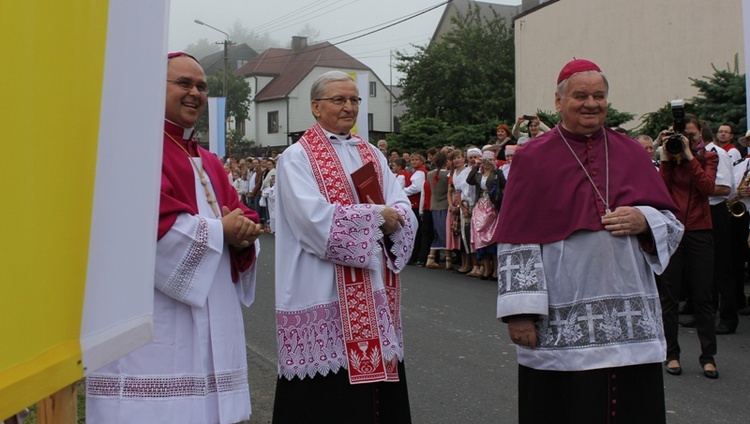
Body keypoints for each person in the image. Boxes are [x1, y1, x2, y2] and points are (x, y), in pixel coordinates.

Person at [492, 59, 683, 423]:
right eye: (581, 95)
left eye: (599, 95)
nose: (591, 103)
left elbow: (672, 224)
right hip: (563, 302)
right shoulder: (532, 157)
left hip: (629, 306)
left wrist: (645, 219)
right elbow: (517, 239)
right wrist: (520, 313)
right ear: (559, 101)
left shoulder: (630, 151)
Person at [86, 52, 262, 424]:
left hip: (213, 307)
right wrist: (222, 231)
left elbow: (238, 212)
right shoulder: (135, 150)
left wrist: (246, 234)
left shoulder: (209, 160)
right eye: (184, 83)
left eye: (201, 86)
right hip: (157, 313)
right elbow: (148, 227)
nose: (195, 93)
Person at [272, 70, 416, 423]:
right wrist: (377, 217)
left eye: (354, 100)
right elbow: (313, 220)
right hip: (321, 288)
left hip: (373, 287)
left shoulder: (370, 154)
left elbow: (402, 204)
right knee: (326, 401)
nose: (349, 106)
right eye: (339, 100)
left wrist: (395, 213)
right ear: (316, 107)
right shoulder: (297, 157)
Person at [658, 114, 720, 379]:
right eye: (683, 135)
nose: (686, 140)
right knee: (669, 297)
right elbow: (660, 191)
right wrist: (665, 158)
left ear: (700, 135)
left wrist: (691, 156)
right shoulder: (671, 158)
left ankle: (708, 356)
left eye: (692, 135)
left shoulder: (709, 157)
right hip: (673, 231)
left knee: (704, 295)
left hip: (699, 230)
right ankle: (672, 354)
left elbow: (707, 187)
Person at [467, 150, 504, 280]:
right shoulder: (479, 175)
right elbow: (469, 180)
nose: (486, 163)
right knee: (479, 234)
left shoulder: (496, 173)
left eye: (489, 160)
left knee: (491, 236)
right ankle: (486, 268)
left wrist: (495, 168)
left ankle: (496, 269)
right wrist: (476, 165)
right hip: (480, 204)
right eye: (485, 161)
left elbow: (504, 184)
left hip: (491, 205)